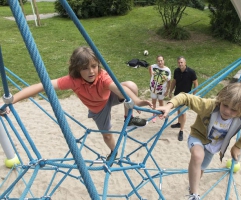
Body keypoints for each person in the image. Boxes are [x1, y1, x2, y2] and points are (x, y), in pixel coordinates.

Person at [1, 46, 152, 163]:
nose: (91, 71)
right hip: (98, 109)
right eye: (85, 68)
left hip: (109, 96)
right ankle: (114, 152)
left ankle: (129, 117)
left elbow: (120, 89)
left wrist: (137, 101)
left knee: (131, 86)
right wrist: (11, 100)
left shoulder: (102, 76)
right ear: (77, 69)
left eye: (94, 66)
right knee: (107, 136)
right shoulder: (73, 81)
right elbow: (41, 86)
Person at [156, 82, 241, 200]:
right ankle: (194, 195)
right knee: (198, 156)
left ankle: (192, 188)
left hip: (213, 146)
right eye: (225, 105)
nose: (227, 111)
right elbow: (185, 97)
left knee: (200, 170)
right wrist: (169, 106)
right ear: (220, 100)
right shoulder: (209, 106)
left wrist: (237, 146)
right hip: (198, 137)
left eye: (233, 110)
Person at [169, 56, 198, 141]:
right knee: (179, 109)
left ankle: (181, 130)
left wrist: (193, 95)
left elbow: (196, 83)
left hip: (186, 96)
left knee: (183, 113)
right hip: (177, 94)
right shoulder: (176, 71)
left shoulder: (191, 72)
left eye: (181, 62)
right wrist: (170, 91)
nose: (180, 64)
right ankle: (179, 123)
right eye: (178, 62)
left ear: (185, 63)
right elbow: (174, 81)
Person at [149, 55, 171, 123]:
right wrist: (151, 73)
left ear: (163, 61)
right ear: (157, 61)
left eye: (161, 60)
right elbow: (149, 67)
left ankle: (161, 112)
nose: (160, 62)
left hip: (161, 89)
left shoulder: (167, 70)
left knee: (161, 102)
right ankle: (154, 114)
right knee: (154, 102)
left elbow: (169, 81)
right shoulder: (154, 66)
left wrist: (167, 90)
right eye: (158, 61)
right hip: (153, 88)